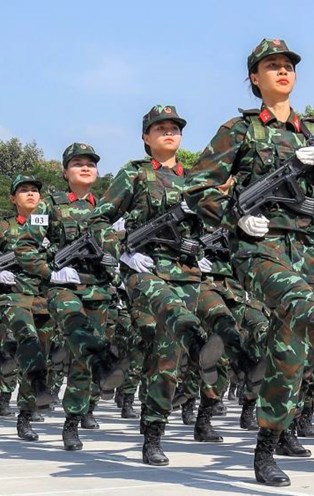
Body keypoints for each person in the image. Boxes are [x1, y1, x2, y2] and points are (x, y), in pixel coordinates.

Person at [184, 38, 314, 487]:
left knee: (290, 355)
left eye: (287, 66)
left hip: (310, 250)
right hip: (260, 247)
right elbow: (198, 188)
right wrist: (236, 217)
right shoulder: (238, 132)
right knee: (301, 306)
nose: (281, 71)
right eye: (270, 66)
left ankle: (266, 448)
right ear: (254, 79)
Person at [93, 106, 226, 466]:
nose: (169, 133)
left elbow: (216, 223)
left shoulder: (196, 179)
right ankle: (152, 436)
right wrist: (122, 251)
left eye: (174, 128)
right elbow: (99, 219)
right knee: (172, 335)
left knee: (192, 343)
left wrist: (205, 249)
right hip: (146, 271)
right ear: (146, 137)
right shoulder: (133, 175)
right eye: (160, 128)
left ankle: (208, 370)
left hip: (188, 272)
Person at [16, 143, 126, 451]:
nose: (86, 167)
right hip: (64, 287)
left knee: (80, 362)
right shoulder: (49, 205)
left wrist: (112, 256)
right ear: (65, 172)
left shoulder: (107, 207)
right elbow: (26, 247)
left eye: (91, 163)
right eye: (78, 163)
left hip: (99, 290)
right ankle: (104, 362)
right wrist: (50, 272)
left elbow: (120, 244)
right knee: (74, 325)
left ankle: (72, 423)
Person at [0, 175, 54, 441]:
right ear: (13, 198)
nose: (31, 194)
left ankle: (25, 415)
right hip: (12, 296)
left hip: (43, 298)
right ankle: (4, 395)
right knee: (24, 347)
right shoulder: (4, 226)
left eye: (35, 190)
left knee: (39, 358)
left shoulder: (50, 226)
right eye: (24, 191)